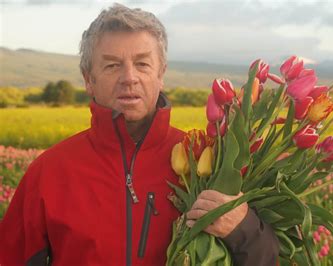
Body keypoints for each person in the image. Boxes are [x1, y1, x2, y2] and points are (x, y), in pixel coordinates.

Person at [0, 4, 279, 266]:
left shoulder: (210, 162)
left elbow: (270, 260)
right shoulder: (49, 172)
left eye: (143, 64)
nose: (129, 77)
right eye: (111, 65)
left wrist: (245, 230)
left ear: (162, 74)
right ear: (88, 79)